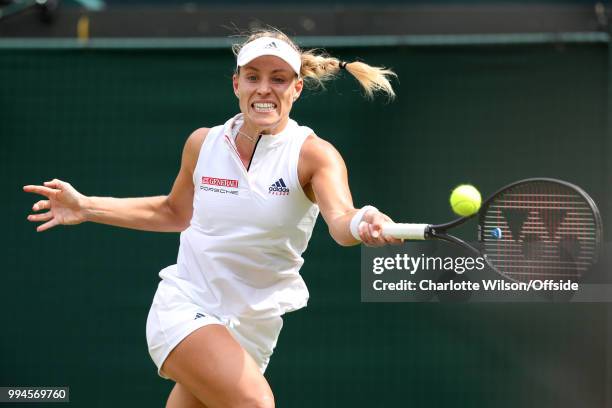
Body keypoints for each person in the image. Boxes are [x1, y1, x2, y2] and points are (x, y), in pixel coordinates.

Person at [23, 28, 401, 408]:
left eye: (278, 79)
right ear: (237, 84)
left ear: (297, 89)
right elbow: (173, 212)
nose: (264, 89)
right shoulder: (202, 143)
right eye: (253, 77)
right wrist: (86, 206)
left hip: (253, 329)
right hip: (187, 306)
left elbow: (341, 220)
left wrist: (363, 221)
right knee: (256, 404)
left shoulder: (315, 155)